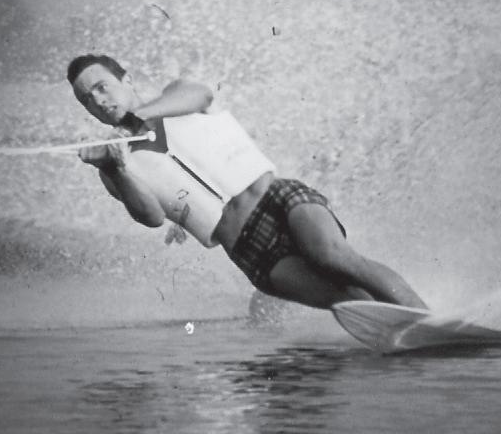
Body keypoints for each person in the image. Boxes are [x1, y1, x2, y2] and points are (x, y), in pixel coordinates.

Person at [67, 54, 427, 310]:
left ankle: (427, 316)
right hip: (246, 246)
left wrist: (137, 118)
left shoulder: (175, 95)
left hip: (278, 197)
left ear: (127, 80)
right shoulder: (115, 167)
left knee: (334, 257)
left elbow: (202, 94)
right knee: (344, 299)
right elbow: (151, 217)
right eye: (87, 99)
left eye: (102, 87)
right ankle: (403, 330)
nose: (98, 100)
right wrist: (116, 168)